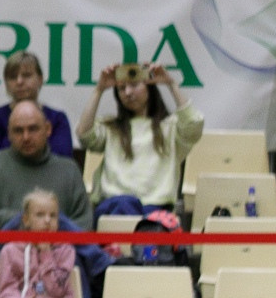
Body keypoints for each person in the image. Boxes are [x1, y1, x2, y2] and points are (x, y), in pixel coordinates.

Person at [77, 64, 201, 210]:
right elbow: (84, 134)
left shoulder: (170, 127)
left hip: (156, 208)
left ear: (150, 88)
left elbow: (194, 124)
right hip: (115, 206)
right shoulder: (111, 127)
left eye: (134, 85)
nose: (128, 92)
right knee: (123, 206)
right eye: (121, 89)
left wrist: (171, 84)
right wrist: (99, 90)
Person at [0, 101, 94, 239]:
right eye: (18, 130)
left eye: (33, 129)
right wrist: (24, 220)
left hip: (59, 255)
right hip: (2, 254)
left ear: (48, 129)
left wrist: (49, 237)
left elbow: (84, 225)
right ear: (8, 133)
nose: (26, 137)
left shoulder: (69, 169)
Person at [0, 190, 80, 298]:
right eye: (40, 215)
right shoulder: (11, 250)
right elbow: (6, 290)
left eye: (53, 215)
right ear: (26, 220)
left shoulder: (66, 250)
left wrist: (46, 253)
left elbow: (57, 289)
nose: (47, 220)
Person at [0, 50, 74, 161]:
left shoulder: (57, 119)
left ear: (40, 79)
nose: (19, 81)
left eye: (26, 75)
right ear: (6, 83)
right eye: (13, 77)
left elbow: (62, 161)